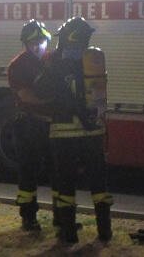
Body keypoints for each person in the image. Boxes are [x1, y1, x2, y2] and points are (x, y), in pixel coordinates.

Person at [36, 16, 113, 243]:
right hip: (93, 132)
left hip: (65, 134)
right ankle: (105, 231)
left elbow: (40, 89)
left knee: (65, 184)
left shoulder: (57, 63)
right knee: (99, 183)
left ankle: (69, 233)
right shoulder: (94, 60)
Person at [7, 20, 54, 231]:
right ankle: (28, 217)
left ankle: (63, 217)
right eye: (33, 42)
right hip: (28, 125)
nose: (38, 46)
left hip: (50, 125)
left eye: (41, 41)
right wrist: (55, 101)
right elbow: (26, 96)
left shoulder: (50, 62)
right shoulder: (17, 65)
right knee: (29, 172)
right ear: (25, 44)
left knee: (58, 171)